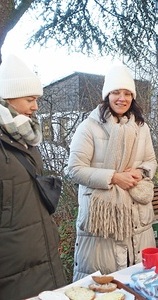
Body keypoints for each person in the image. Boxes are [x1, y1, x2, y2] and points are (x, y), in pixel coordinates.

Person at [68, 64, 158, 281]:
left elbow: (151, 162)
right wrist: (114, 177)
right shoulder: (88, 127)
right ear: (107, 95)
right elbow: (75, 170)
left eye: (127, 93)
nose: (122, 98)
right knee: (104, 284)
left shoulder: (141, 127)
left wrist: (140, 172)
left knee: (138, 281)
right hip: (102, 223)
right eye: (116, 92)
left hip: (137, 218)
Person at [0, 54, 66, 299]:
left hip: (40, 253)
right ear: (7, 97)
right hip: (11, 268)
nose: (35, 106)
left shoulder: (24, 136)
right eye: (30, 99)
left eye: (36, 99)